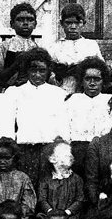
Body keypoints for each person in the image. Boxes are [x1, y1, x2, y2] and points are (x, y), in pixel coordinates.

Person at [6, 47, 68, 184]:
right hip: (24, 150)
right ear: (27, 70)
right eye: (33, 70)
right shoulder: (15, 93)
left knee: (49, 188)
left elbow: (62, 122)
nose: (37, 75)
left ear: (48, 71)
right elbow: (8, 123)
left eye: (42, 71)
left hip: (49, 149)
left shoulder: (58, 94)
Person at [64, 57, 112, 174]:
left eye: (97, 79)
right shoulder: (72, 101)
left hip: (104, 151)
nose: (92, 83)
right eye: (88, 79)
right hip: (78, 151)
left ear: (103, 81)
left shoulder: (110, 101)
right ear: (81, 81)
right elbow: (64, 128)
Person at [34, 140, 85, 219]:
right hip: (49, 215)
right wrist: (50, 211)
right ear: (53, 159)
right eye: (66, 155)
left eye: (71, 154)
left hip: (70, 216)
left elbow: (80, 199)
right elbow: (42, 199)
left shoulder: (77, 179)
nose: (71, 157)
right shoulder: (46, 180)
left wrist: (68, 212)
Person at [47, 3, 102, 93]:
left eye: (77, 23)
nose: (73, 27)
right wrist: (59, 75)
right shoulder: (55, 48)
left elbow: (101, 70)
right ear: (62, 23)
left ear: (83, 23)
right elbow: (48, 74)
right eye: (68, 23)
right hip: (61, 90)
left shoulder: (91, 45)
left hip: (85, 92)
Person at [0, 2, 40, 88]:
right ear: (12, 24)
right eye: (20, 19)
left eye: (30, 20)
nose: (25, 23)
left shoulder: (37, 48)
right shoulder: (4, 46)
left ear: (35, 24)